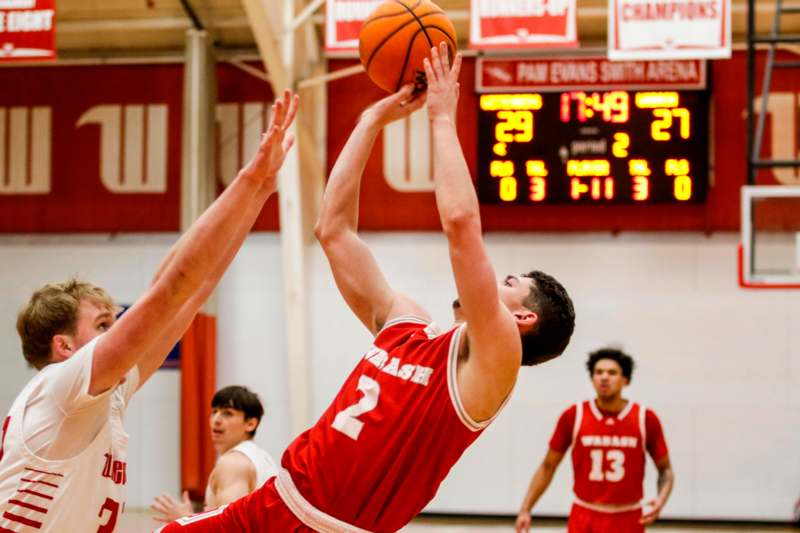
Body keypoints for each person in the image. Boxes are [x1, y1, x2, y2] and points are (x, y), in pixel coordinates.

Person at [157, 43, 574, 533]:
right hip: (274, 505)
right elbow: (333, 230)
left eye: (509, 284)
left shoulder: (496, 361)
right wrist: (370, 120)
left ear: (524, 319)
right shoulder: (408, 326)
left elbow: (461, 225)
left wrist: (442, 118)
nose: (492, 279)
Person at [0, 91, 299, 532]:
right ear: (63, 346)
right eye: (103, 324)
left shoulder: (105, 395)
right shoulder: (63, 386)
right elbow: (171, 287)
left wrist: (260, 196)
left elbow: (191, 292)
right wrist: (248, 180)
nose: (121, 330)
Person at [515, 348, 675, 533]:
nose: (604, 377)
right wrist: (525, 509)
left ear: (626, 380)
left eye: (612, 372)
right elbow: (547, 467)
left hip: (628, 516)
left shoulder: (645, 418)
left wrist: (661, 500)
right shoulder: (574, 416)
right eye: (598, 372)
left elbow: (666, 470)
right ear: (592, 379)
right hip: (585, 515)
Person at [152, 386, 277, 522]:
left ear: (250, 424)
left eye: (227, 413)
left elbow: (230, 527)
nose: (216, 420)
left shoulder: (233, 463)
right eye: (214, 412)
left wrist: (185, 520)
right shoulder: (262, 458)